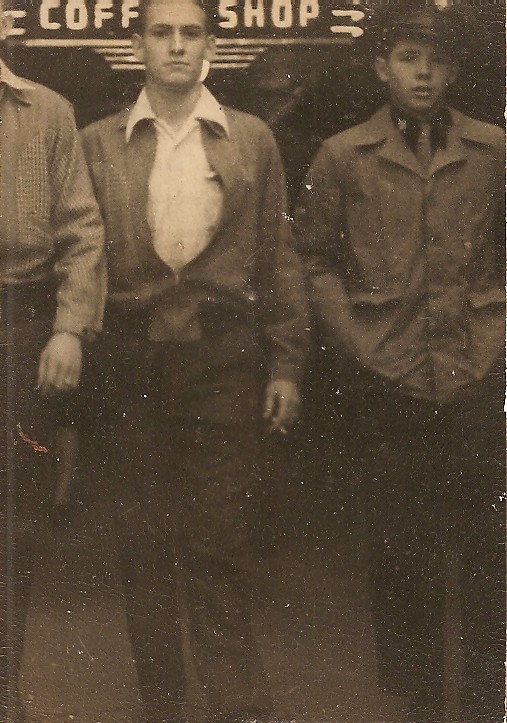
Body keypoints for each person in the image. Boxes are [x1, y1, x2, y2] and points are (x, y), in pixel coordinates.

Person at [81, 1, 309, 721]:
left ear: (210, 44)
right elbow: (82, 256)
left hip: (222, 359)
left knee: (218, 539)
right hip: (131, 361)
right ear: (138, 46)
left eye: (190, 33)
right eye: (161, 33)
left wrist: (285, 364)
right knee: (143, 543)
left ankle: (234, 704)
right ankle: (163, 703)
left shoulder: (250, 138)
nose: (176, 46)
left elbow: (278, 259)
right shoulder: (97, 143)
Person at [294, 6, 505, 723]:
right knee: (401, 542)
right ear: (381, 68)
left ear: (454, 72)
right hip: (390, 375)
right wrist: (356, 337)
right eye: (409, 58)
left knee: (487, 540)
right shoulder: (342, 155)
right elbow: (312, 258)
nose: (423, 74)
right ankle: (418, 693)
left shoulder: (492, 149)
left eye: (437, 61)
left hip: (475, 369)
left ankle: (487, 693)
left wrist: (497, 327)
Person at [0, 2, 106, 720]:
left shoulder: (47, 113)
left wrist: (68, 329)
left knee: (14, 523)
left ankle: (4, 685)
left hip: (22, 327)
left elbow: (81, 230)